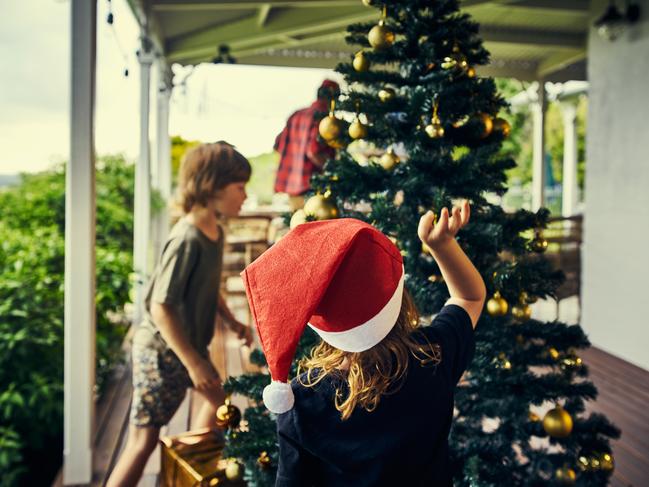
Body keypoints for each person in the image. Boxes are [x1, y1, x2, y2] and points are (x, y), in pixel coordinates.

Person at [240, 200, 486, 486]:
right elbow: (470, 297)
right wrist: (441, 245)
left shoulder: (300, 403)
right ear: (399, 296)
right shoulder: (433, 355)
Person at [107, 142, 255, 487]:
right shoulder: (187, 237)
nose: (245, 196)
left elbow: (208, 286)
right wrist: (194, 363)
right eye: (240, 187)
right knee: (142, 443)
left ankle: (189, 471)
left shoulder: (215, 232)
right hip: (163, 353)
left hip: (189, 349)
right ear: (213, 187)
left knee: (222, 407)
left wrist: (233, 322)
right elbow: (161, 306)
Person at [273, 79, 340, 211]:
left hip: (291, 187)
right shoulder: (323, 117)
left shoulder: (297, 114)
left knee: (298, 227)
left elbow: (277, 144)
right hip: (312, 187)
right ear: (335, 98)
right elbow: (314, 151)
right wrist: (335, 171)